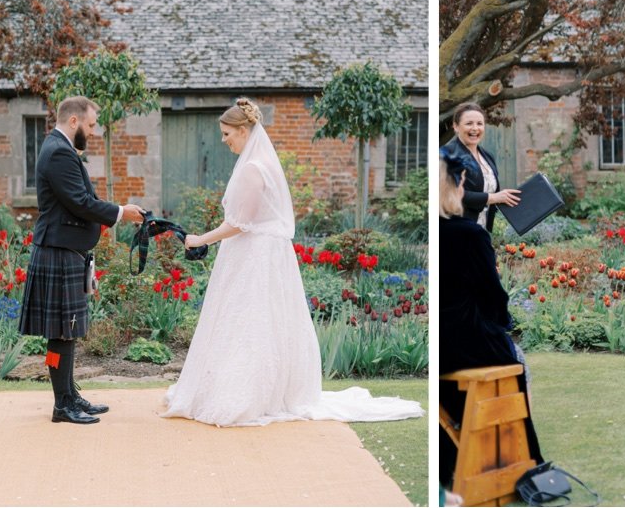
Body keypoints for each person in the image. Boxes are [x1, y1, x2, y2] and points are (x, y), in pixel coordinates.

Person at [168, 98, 422, 427]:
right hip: (263, 255)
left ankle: (248, 395)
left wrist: (198, 239)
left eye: (227, 133)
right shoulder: (260, 164)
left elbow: (239, 224)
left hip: (255, 258)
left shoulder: (252, 169)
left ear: (244, 131)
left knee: (250, 320)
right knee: (257, 322)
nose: (224, 139)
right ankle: (257, 391)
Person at [20, 96, 146, 424]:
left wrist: (118, 208)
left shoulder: (58, 149)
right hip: (58, 253)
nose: (92, 132)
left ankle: (70, 396)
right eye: (90, 126)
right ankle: (62, 405)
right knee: (60, 334)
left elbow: (84, 198)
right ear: (73, 121)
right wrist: (120, 212)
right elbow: (80, 202)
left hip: (65, 253)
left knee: (66, 332)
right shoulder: (59, 151)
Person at [438, 148, 542, 485]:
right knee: (518, 363)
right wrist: (502, 324)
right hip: (468, 341)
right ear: (457, 186)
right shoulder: (471, 234)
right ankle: (523, 460)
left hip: (439, 345)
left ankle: (451, 458)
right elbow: (494, 295)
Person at [441, 103, 520, 233]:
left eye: (479, 123)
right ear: (455, 126)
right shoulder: (448, 154)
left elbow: (485, 189)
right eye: (469, 123)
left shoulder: (487, 156)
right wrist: (494, 198)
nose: (475, 128)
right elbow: (451, 194)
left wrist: (507, 198)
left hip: (481, 230)